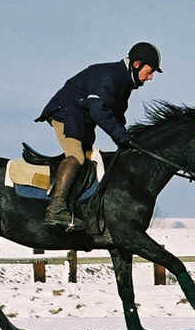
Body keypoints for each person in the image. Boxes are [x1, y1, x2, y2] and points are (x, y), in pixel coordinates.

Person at [35, 42, 162, 229]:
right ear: (137, 64)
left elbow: (116, 118)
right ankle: (55, 209)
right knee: (77, 157)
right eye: (149, 72)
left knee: (90, 160)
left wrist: (128, 141)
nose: (150, 77)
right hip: (66, 114)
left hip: (81, 118)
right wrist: (122, 137)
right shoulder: (109, 76)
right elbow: (98, 110)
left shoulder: (124, 83)